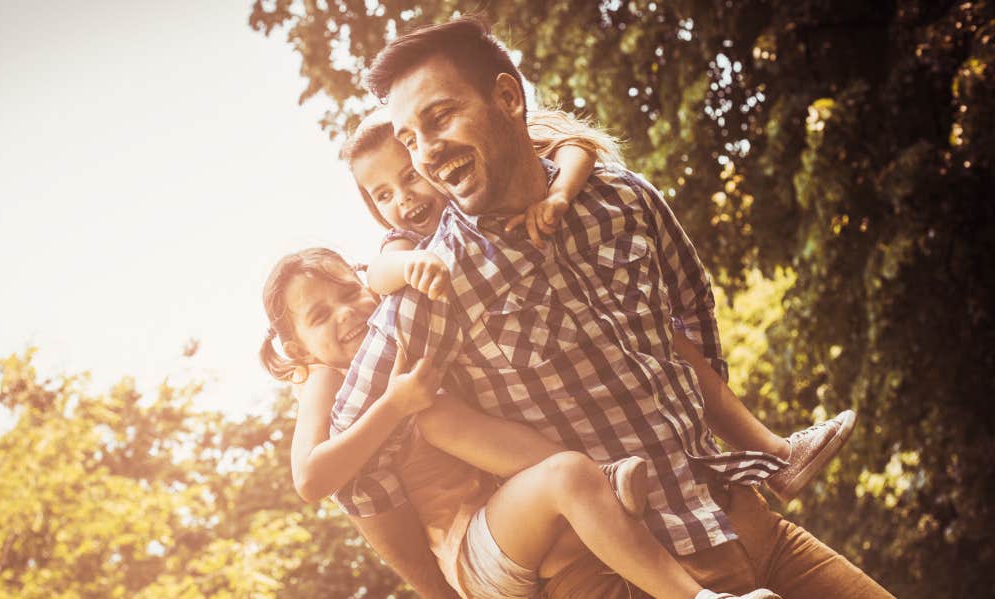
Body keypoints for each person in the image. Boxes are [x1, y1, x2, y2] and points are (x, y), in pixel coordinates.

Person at [328, 16, 895, 599]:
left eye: (439, 116)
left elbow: (691, 309)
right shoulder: (433, 285)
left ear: (506, 97)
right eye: (411, 138)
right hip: (624, 578)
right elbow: (354, 468)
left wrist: (707, 437)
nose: (427, 151)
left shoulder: (622, 199)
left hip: (750, 528)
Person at [346, 107, 855, 503]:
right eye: (382, 195)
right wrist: (412, 266)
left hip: (596, 332)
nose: (403, 199)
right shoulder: (413, 245)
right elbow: (380, 269)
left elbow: (574, 147)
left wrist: (559, 195)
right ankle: (602, 484)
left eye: (407, 177)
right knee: (444, 419)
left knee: (669, 347)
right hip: (516, 420)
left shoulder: (506, 177)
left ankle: (773, 453)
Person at [259, 247, 779, 599]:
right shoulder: (323, 380)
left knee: (572, 486)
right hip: (472, 551)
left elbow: (387, 271)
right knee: (564, 474)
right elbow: (310, 479)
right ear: (296, 347)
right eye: (318, 316)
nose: (345, 314)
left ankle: (607, 486)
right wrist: (396, 404)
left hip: (526, 527)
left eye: (349, 295)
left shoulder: (407, 339)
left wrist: (410, 265)